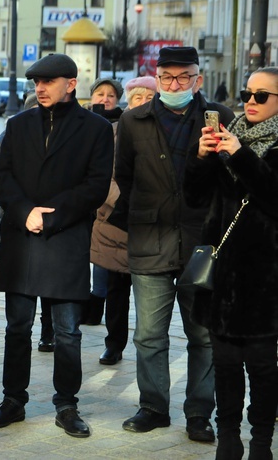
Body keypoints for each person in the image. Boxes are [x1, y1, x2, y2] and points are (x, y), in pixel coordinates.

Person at [0, 53, 113, 438]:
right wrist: (25, 211)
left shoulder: (96, 128)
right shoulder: (18, 124)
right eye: (36, 82)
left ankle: (67, 404)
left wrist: (52, 216)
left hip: (66, 238)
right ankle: (13, 400)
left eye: (49, 82)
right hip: (21, 239)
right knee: (17, 327)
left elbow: (95, 185)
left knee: (68, 332)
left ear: (71, 84)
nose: (40, 88)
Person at [112, 46, 233, 442]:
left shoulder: (219, 117)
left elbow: (231, 180)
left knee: (202, 334)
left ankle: (199, 413)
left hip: (203, 242)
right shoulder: (134, 120)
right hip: (150, 238)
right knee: (149, 334)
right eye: (168, 77)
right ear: (157, 77)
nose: (176, 84)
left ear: (198, 78)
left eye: (184, 77)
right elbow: (124, 178)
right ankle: (153, 407)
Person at [184, 67, 278, 459]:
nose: (250, 102)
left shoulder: (251, 147)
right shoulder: (228, 138)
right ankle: (228, 438)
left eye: (261, 96)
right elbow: (192, 196)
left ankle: (260, 442)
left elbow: (272, 196)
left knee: (262, 368)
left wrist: (238, 155)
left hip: (266, 278)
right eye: (246, 93)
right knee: (224, 366)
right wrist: (203, 157)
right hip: (221, 275)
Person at [91, 76, 157, 366]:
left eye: (148, 98)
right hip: (117, 221)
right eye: (136, 98)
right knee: (116, 290)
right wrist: (120, 202)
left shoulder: (164, 132)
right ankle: (114, 344)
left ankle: (150, 346)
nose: (142, 104)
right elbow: (102, 174)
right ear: (128, 103)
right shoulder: (115, 133)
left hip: (153, 224)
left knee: (150, 294)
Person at [0, 93, 55, 353]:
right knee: (19, 309)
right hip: (16, 221)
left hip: (52, 223)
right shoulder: (11, 132)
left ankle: (47, 328)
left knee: (51, 286)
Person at [82, 78, 124, 327]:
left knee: (102, 258)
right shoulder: (81, 121)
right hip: (81, 201)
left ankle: (96, 304)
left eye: (111, 95)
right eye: (100, 93)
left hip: (107, 204)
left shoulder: (124, 124)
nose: (105, 99)